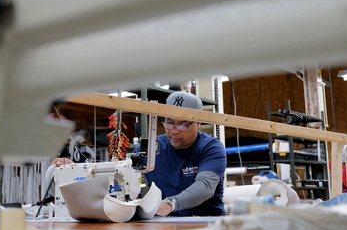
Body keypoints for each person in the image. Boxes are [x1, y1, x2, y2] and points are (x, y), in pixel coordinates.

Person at [51, 90, 227, 217]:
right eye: (168, 122)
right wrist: (78, 170)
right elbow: (118, 176)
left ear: (198, 123)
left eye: (182, 124)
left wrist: (171, 204)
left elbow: (205, 187)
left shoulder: (211, 147)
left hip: (205, 221)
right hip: (163, 222)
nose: (173, 131)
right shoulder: (150, 147)